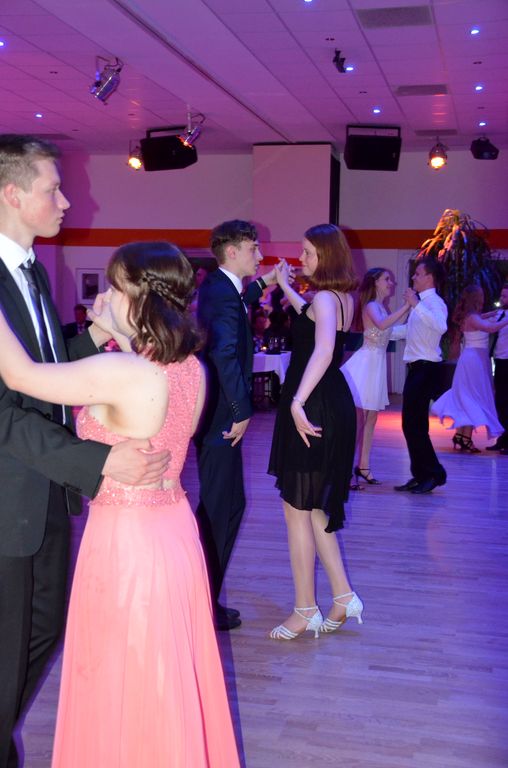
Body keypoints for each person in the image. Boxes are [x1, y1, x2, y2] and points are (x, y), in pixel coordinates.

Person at [0, 241, 241, 768]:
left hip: (126, 544)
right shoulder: (189, 368)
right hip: (172, 533)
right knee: (161, 673)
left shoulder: (124, 372)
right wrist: (110, 329)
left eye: (114, 286)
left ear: (140, 297)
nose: (103, 296)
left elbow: (18, 377)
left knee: (121, 673)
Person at [0, 134, 169, 768]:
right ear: (12, 194)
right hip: (7, 496)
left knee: (43, 632)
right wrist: (98, 462)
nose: (67, 201)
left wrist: (94, 336)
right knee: (6, 650)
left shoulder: (33, 270)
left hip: (43, 490)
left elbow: (44, 374)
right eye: (53, 189)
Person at [268, 223, 363, 640]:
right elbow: (310, 318)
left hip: (314, 402)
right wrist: (284, 286)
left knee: (296, 509)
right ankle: (343, 596)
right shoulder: (340, 297)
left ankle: (305, 609)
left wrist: (296, 402)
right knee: (313, 508)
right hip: (330, 400)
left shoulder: (325, 298)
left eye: (307, 252)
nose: (301, 258)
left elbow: (322, 350)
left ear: (325, 255)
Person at [196, 220, 280, 631]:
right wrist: (241, 409)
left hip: (216, 416)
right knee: (220, 510)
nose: (259, 256)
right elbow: (224, 354)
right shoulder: (221, 294)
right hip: (220, 419)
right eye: (253, 249)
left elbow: (240, 300)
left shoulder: (222, 288)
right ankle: (201, 604)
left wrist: (264, 283)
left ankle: (203, 598)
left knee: (225, 506)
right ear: (232, 252)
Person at [341, 268, 409, 485]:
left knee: (371, 420)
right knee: (359, 420)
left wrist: (409, 308)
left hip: (375, 364)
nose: (390, 283)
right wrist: (406, 305)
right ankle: (345, 471)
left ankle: (363, 466)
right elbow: (382, 324)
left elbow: (393, 326)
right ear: (375, 282)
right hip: (366, 364)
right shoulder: (371, 306)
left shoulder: (380, 307)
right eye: (386, 279)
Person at [431, 284, 508, 451]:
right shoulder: (472, 317)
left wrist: (493, 314)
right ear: (476, 298)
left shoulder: (472, 316)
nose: (484, 298)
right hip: (474, 361)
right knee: (472, 397)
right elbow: (490, 328)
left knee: (469, 397)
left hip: (475, 360)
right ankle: (465, 438)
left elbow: (483, 319)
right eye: (481, 295)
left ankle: (461, 436)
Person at [395, 257, 448, 495]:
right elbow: (411, 330)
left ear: (429, 277)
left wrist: (415, 304)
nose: (414, 277)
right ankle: (421, 474)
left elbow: (440, 326)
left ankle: (433, 474)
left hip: (426, 369)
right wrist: (382, 333)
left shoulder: (434, 303)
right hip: (418, 369)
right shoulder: (423, 304)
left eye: (418, 274)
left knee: (414, 425)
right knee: (411, 425)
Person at [485, 282, 508, 453]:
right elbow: (484, 323)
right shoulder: (500, 314)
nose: (502, 299)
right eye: (502, 295)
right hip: (499, 361)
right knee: (500, 401)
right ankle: (503, 439)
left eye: (505, 296)